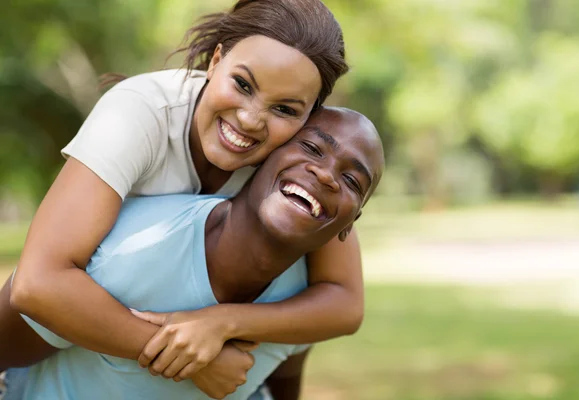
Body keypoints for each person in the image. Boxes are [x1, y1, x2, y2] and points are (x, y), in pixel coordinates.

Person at [0, 0, 368, 390]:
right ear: (215, 61)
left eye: (284, 108)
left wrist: (222, 322)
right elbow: (37, 284)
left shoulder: (291, 157)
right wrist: (192, 357)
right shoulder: (140, 113)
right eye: (242, 85)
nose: (250, 119)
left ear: (310, 115)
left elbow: (344, 301)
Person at [4, 107, 385, 400]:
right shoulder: (133, 249)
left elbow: (283, 379)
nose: (325, 175)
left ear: (351, 223)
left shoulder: (302, 303)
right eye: (312, 148)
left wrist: (222, 323)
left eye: (352, 180)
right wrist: (184, 356)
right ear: (261, 156)